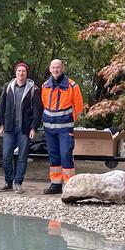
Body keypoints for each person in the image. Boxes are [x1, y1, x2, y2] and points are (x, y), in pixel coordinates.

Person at [0, 62, 42, 194]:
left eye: (23, 71)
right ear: (15, 73)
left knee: (22, 157)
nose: (21, 73)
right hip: (9, 128)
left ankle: (18, 182)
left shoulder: (33, 89)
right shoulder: (8, 87)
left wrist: (34, 127)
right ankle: (8, 181)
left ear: (27, 74)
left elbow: (37, 111)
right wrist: (1, 124)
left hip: (24, 128)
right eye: (19, 71)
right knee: (6, 156)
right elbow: (2, 106)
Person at [41, 59, 84, 194]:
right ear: (49, 69)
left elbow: (78, 107)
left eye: (58, 67)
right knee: (53, 156)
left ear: (62, 68)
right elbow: (44, 105)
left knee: (65, 154)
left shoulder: (72, 86)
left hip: (65, 128)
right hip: (49, 129)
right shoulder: (45, 86)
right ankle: (55, 184)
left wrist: (71, 121)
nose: (55, 70)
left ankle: (69, 185)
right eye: (53, 67)